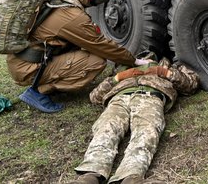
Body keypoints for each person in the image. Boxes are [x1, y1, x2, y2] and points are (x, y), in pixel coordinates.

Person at [8, 0, 151, 113]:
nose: (106, 0)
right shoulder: (73, 16)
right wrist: (134, 61)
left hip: (22, 60)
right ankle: (39, 90)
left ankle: (47, 80)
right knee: (96, 61)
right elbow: (101, 45)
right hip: (27, 68)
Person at [73, 56, 200, 184]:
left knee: (147, 130)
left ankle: (131, 176)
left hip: (150, 97)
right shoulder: (121, 67)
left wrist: (164, 72)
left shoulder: (169, 65)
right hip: (119, 98)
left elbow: (191, 85)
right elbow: (95, 97)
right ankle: (90, 175)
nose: (145, 57)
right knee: (107, 127)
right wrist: (118, 78)